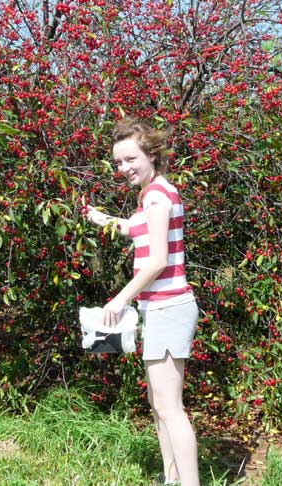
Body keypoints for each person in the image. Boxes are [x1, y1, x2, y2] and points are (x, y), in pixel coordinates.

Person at [85, 118, 200, 486]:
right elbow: (134, 229)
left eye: (130, 159)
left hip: (168, 307)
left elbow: (157, 260)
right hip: (161, 309)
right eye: (119, 163)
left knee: (170, 409)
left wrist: (119, 300)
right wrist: (101, 220)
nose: (124, 169)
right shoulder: (158, 192)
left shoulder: (155, 195)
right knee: (160, 407)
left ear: (151, 154)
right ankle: (171, 478)